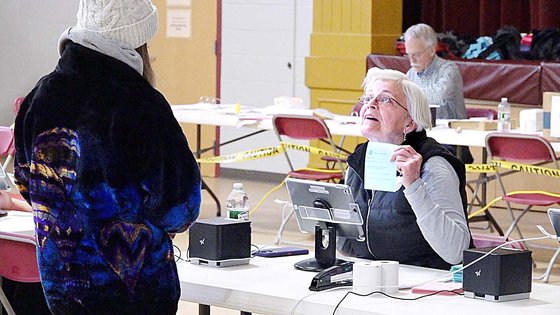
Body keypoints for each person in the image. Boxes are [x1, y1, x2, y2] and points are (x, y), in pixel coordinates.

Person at [12, 0, 201, 314]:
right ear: (136, 42)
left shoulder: (39, 97)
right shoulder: (143, 104)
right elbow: (181, 206)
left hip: (63, 289)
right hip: (137, 294)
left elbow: (27, 185)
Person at [337, 67, 472, 270]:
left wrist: (414, 186)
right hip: (374, 277)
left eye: (385, 100)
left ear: (410, 123)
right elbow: (350, 247)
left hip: (428, 283)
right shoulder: (358, 162)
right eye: (368, 98)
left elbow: (456, 252)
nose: (370, 105)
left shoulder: (433, 165)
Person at [404, 23, 473, 164]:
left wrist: (408, 96)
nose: (412, 61)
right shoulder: (411, 74)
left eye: (416, 54)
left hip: (451, 144)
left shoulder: (448, 70)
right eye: (408, 55)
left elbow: (437, 97)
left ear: (431, 50)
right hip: (421, 141)